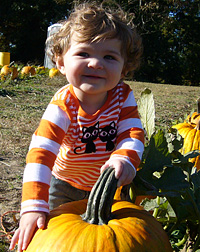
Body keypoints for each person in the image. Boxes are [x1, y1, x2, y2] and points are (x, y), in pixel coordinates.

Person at [10, 2, 144, 251]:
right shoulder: (63, 105)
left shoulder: (123, 96)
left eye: (109, 57)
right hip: (64, 183)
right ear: (61, 62)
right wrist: (32, 206)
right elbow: (40, 155)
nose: (95, 63)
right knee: (52, 231)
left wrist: (124, 159)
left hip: (107, 184)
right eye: (83, 54)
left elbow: (133, 133)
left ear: (124, 68)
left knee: (109, 239)